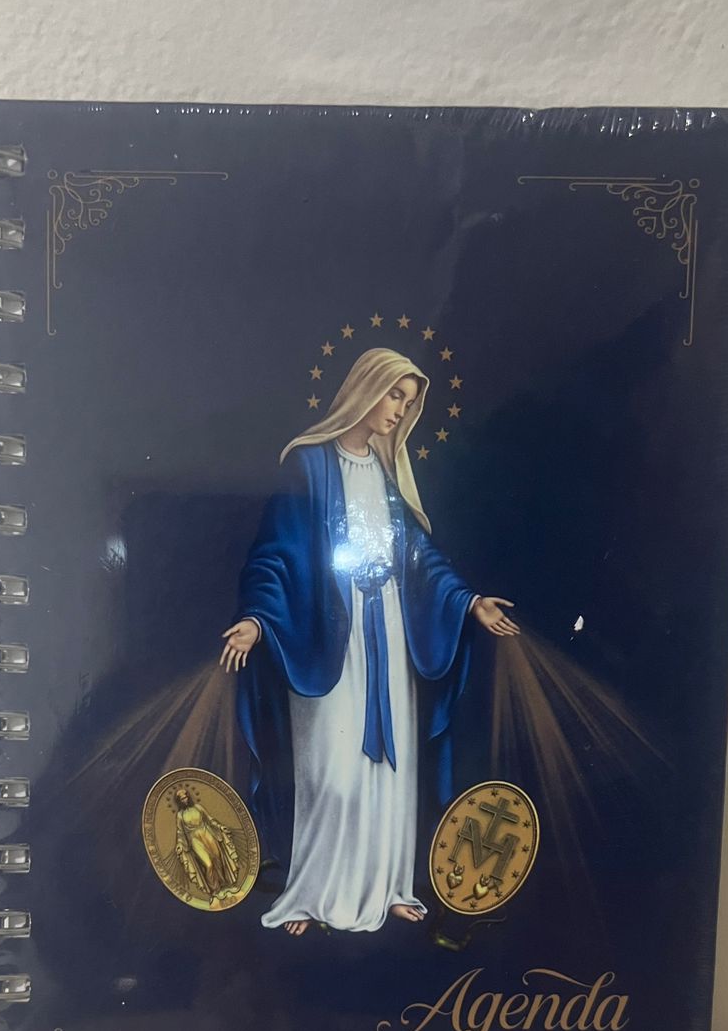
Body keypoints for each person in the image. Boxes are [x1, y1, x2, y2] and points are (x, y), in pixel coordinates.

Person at [220, 347, 517, 934]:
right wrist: (257, 618)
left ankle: (389, 889)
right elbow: (275, 553)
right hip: (329, 639)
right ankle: (313, 893)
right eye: (394, 394)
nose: (400, 410)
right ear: (365, 388)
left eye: (409, 401)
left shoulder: (385, 475)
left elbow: (420, 558)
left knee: (389, 770)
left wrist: (467, 601)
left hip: (390, 635)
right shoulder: (308, 465)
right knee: (331, 769)